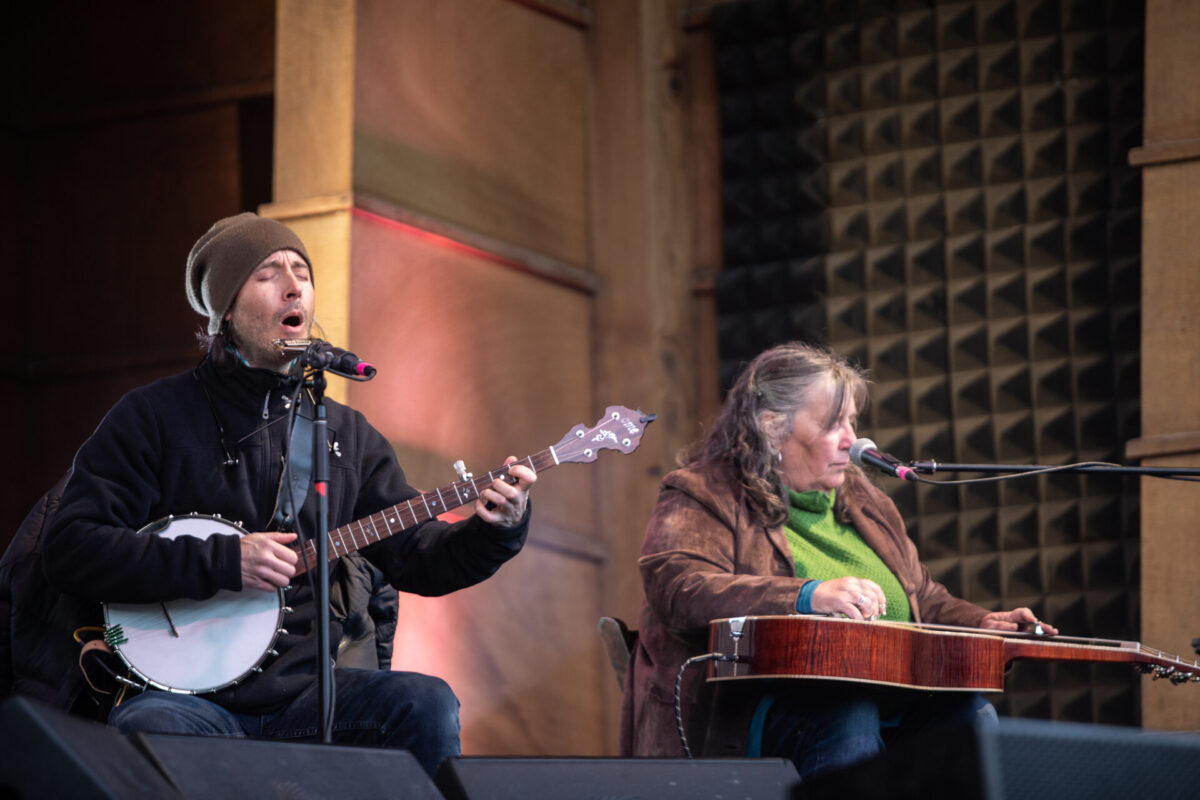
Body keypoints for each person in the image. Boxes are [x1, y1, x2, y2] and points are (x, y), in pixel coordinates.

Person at [41, 212, 537, 777]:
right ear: (224, 307)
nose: (293, 284)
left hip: (305, 697)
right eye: (268, 273)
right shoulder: (153, 417)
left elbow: (418, 558)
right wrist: (226, 560)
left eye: (301, 270)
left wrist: (497, 529)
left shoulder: (346, 435)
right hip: (183, 700)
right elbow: (71, 547)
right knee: (148, 729)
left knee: (425, 704)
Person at [619, 342, 1056, 780]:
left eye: (852, 421)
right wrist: (808, 596)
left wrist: (981, 623)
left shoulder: (867, 502)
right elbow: (680, 589)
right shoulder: (702, 493)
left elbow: (919, 596)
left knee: (970, 715)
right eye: (833, 424)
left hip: (886, 701)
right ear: (773, 428)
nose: (854, 439)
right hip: (747, 712)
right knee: (848, 712)